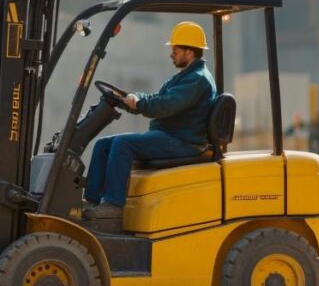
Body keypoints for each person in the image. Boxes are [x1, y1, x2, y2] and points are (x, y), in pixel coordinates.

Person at [84, 21, 218, 221]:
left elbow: (166, 105)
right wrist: (128, 99)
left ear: (189, 52)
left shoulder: (197, 79)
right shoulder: (185, 77)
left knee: (123, 144)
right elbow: (157, 98)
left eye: (175, 49)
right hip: (172, 135)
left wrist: (138, 103)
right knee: (104, 145)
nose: (171, 53)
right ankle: (91, 201)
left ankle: (113, 205)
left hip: (185, 142)